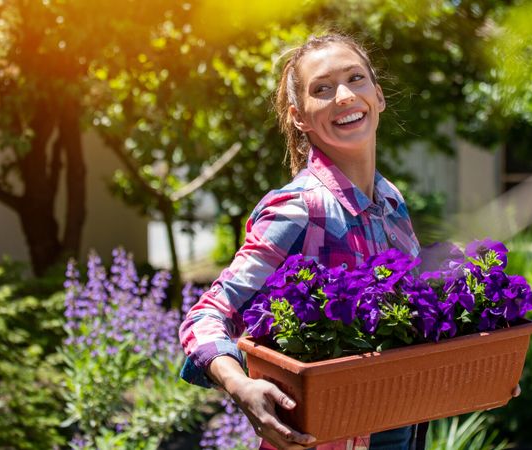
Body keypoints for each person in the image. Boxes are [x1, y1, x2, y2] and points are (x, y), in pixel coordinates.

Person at [179, 34, 425, 450]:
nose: (344, 96)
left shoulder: (390, 202)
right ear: (299, 118)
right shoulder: (299, 210)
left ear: (378, 96)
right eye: (322, 89)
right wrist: (239, 385)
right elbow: (206, 316)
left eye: (356, 78)